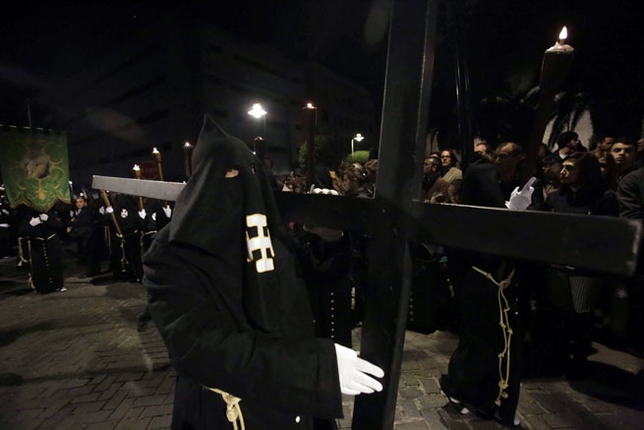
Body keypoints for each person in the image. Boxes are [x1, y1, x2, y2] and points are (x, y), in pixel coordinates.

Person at [143, 116, 384, 429]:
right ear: (201, 181)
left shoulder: (267, 227)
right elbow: (199, 349)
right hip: (236, 411)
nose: (241, 181)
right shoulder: (172, 252)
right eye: (228, 173)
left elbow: (313, 282)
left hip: (297, 405)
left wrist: (329, 239)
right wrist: (312, 368)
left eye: (250, 171)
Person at [440, 145, 535, 427]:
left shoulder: (521, 188)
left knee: (505, 346)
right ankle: (468, 393)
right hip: (481, 282)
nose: (500, 161)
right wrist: (506, 214)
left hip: (507, 283)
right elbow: (473, 240)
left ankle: (500, 402)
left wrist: (520, 215)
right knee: (477, 344)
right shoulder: (480, 184)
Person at [541, 152, 618, 378]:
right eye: (562, 167)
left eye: (570, 168)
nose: (562, 171)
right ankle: (559, 356)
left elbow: (608, 235)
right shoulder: (556, 197)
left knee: (581, 313)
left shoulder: (605, 198)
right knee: (560, 311)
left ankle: (579, 359)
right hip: (557, 265)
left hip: (585, 268)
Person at [17, 205, 67, 293]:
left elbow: (61, 226)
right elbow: (21, 232)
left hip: (51, 244)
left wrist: (48, 220)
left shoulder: (49, 215)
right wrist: (31, 225)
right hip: (37, 245)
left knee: (55, 264)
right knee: (39, 267)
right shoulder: (27, 218)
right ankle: (43, 287)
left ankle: (58, 284)